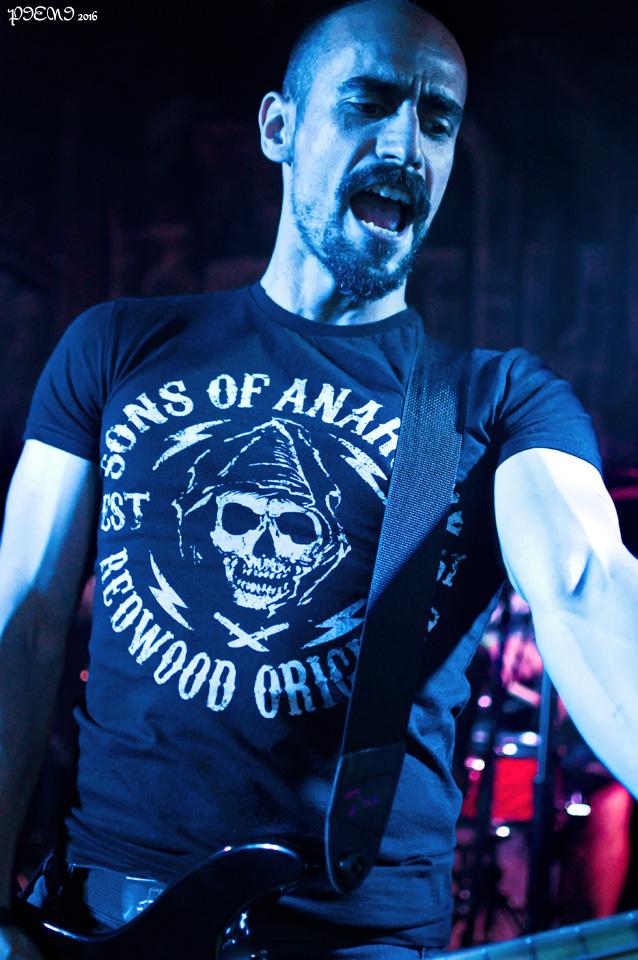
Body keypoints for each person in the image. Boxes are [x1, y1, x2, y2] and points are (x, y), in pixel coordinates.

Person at [1, 1, 637, 958]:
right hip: (106, 924)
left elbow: (587, 581)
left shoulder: (493, 400)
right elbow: (23, 620)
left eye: (437, 120)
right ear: (279, 127)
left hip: (355, 939)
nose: (406, 145)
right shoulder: (120, 345)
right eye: (369, 103)